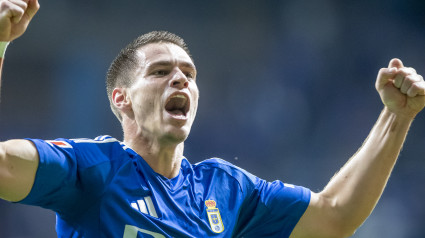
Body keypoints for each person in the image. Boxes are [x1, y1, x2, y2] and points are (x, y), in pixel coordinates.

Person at [1, 1, 424, 237]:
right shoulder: (94, 169)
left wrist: (396, 117)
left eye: (189, 74)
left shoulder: (226, 190)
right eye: (161, 72)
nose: (181, 80)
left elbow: (336, 215)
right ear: (122, 99)